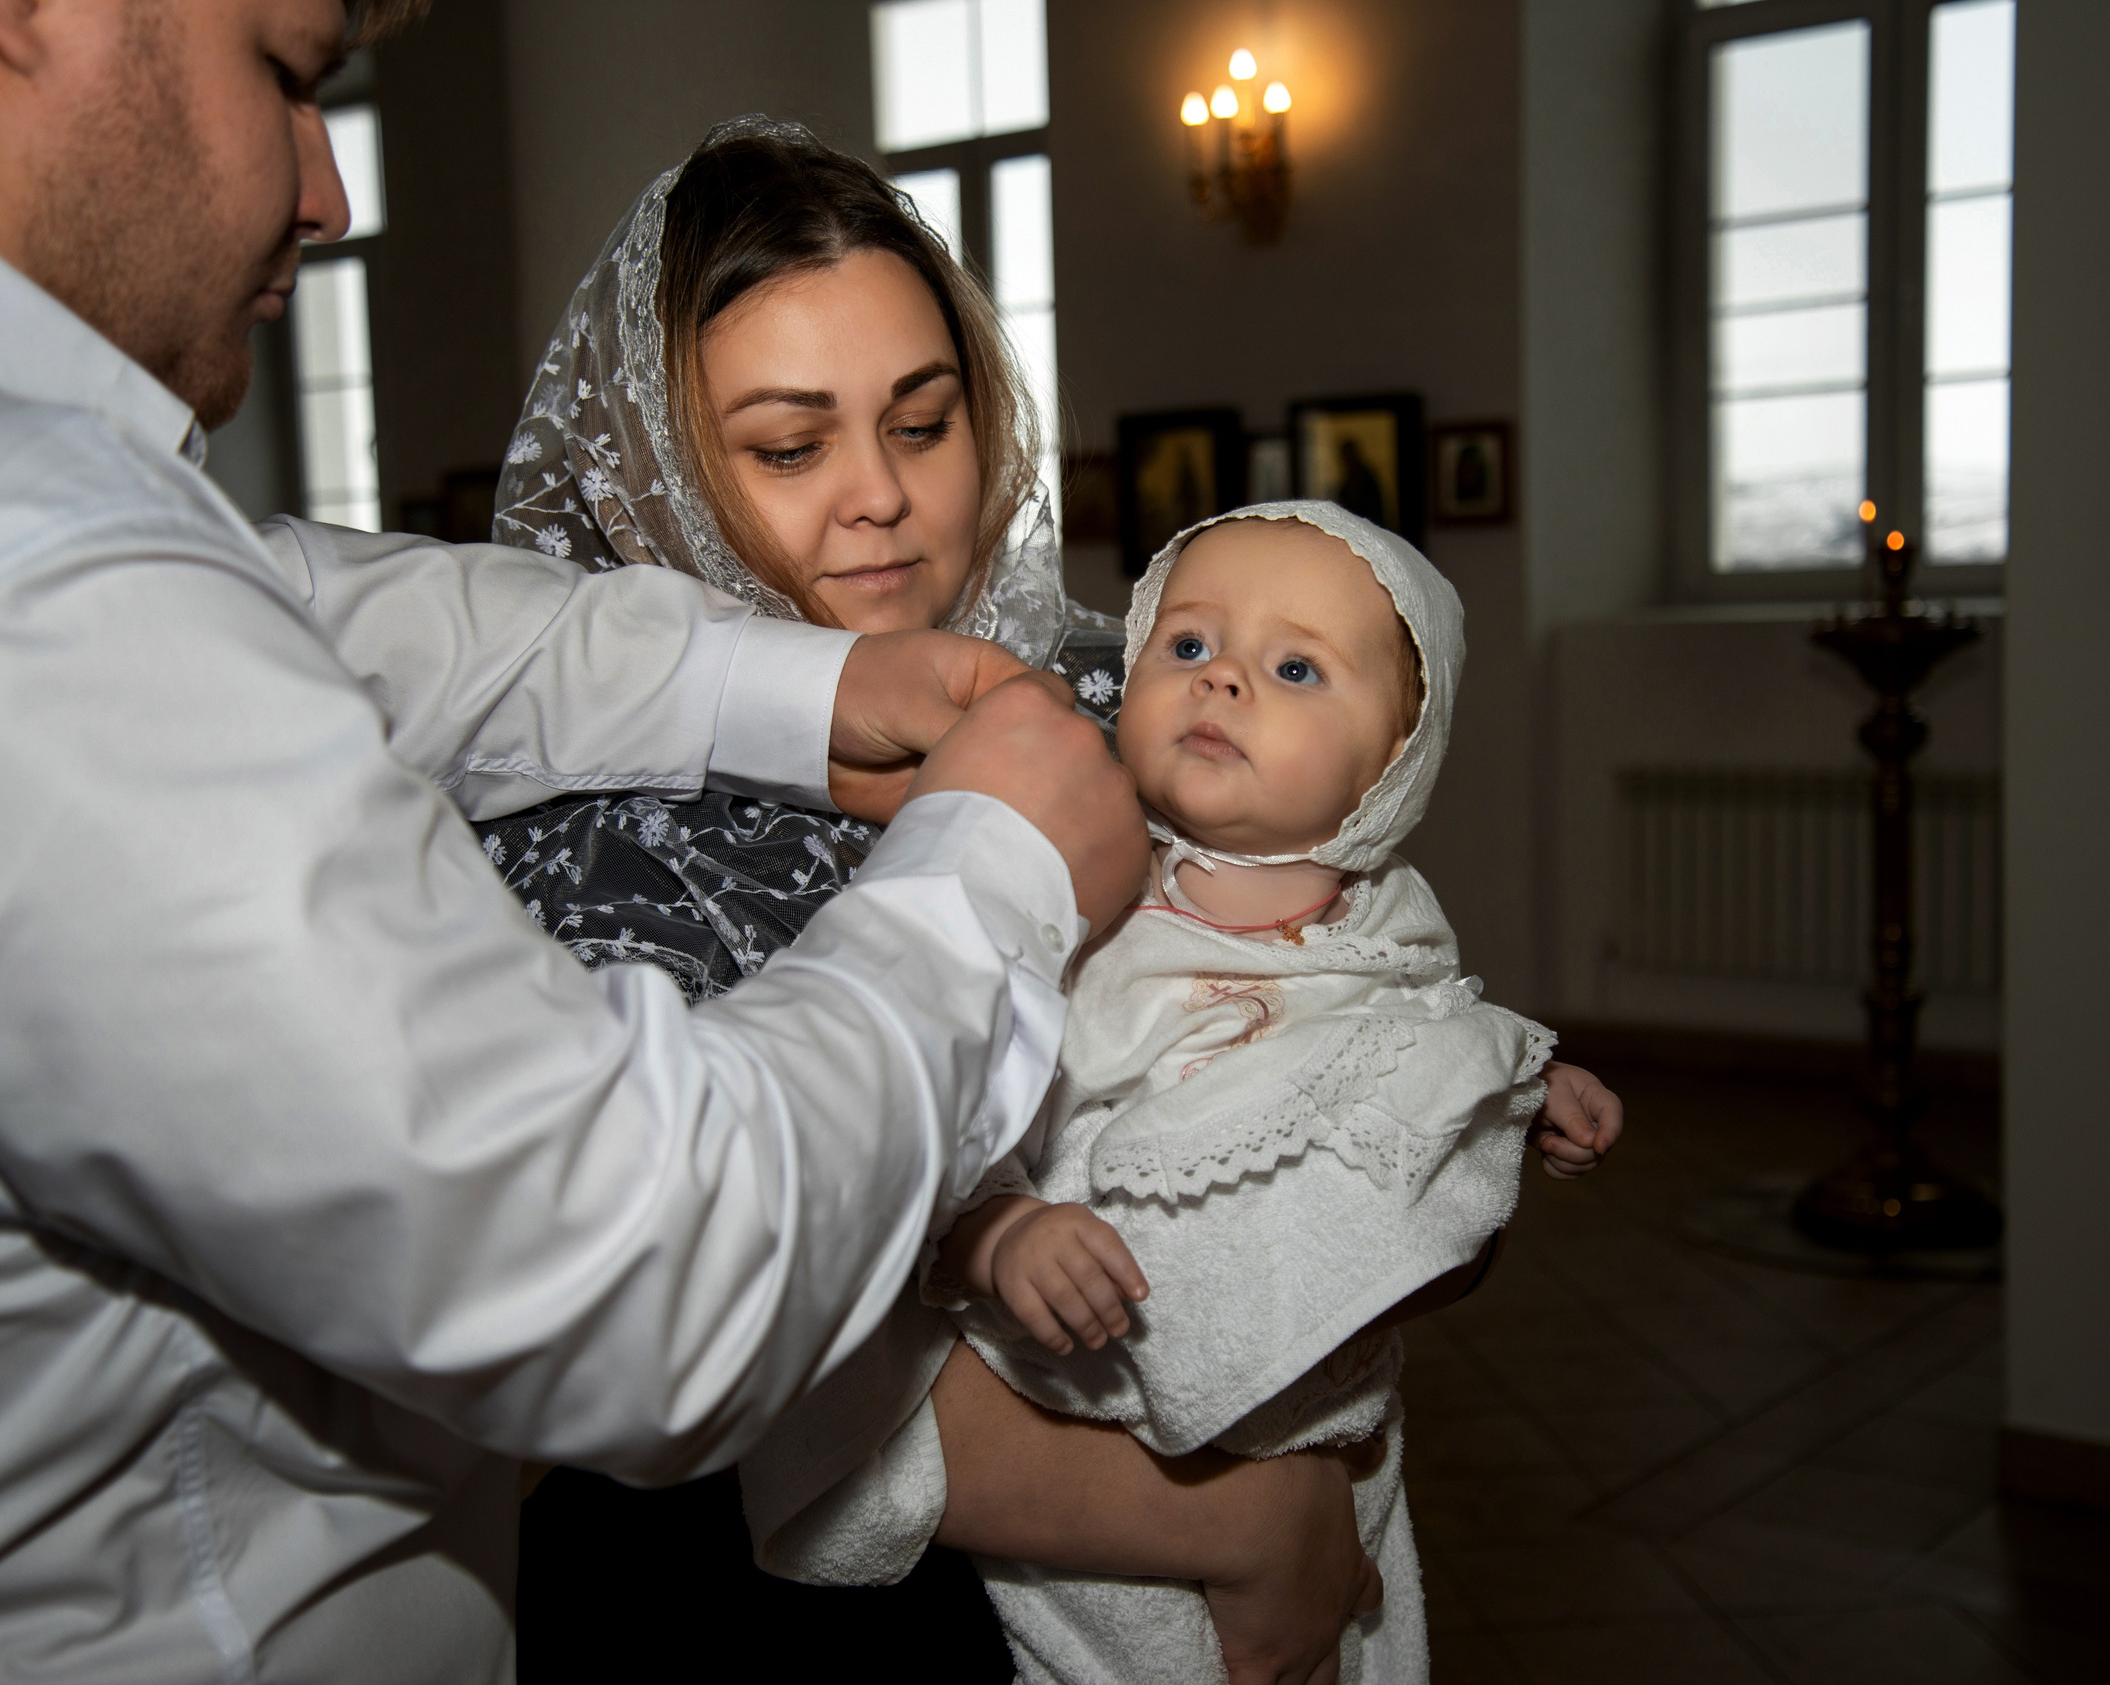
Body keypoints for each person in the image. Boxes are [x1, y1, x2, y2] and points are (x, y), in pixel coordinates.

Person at [0, 3, 1184, 1680]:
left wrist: (823, 691)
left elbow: (360, 612)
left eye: (918, 417)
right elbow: (641, 1275)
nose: (328, 189)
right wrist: (1001, 862)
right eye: (288, 74)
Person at [479, 125, 1626, 1683]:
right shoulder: (594, 846)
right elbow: (717, 1316)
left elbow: (1324, 1023)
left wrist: (1446, 1134)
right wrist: (1240, 1527)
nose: (881, 499)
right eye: (789, 445)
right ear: (662, 473)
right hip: (790, 1607)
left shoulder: (1127, 684)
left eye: (924, 420)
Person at [755, 503, 1616, 1683]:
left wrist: (1516, 1093)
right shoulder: (1073, 878)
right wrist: (997, 1225)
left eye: (1296, 667)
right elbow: (961, 1079)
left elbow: (1425, 1044)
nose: (1222, 686)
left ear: (1395, 758)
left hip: (1322, 1426)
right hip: (1078, 1409)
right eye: (1189, 645)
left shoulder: (1389, 921)